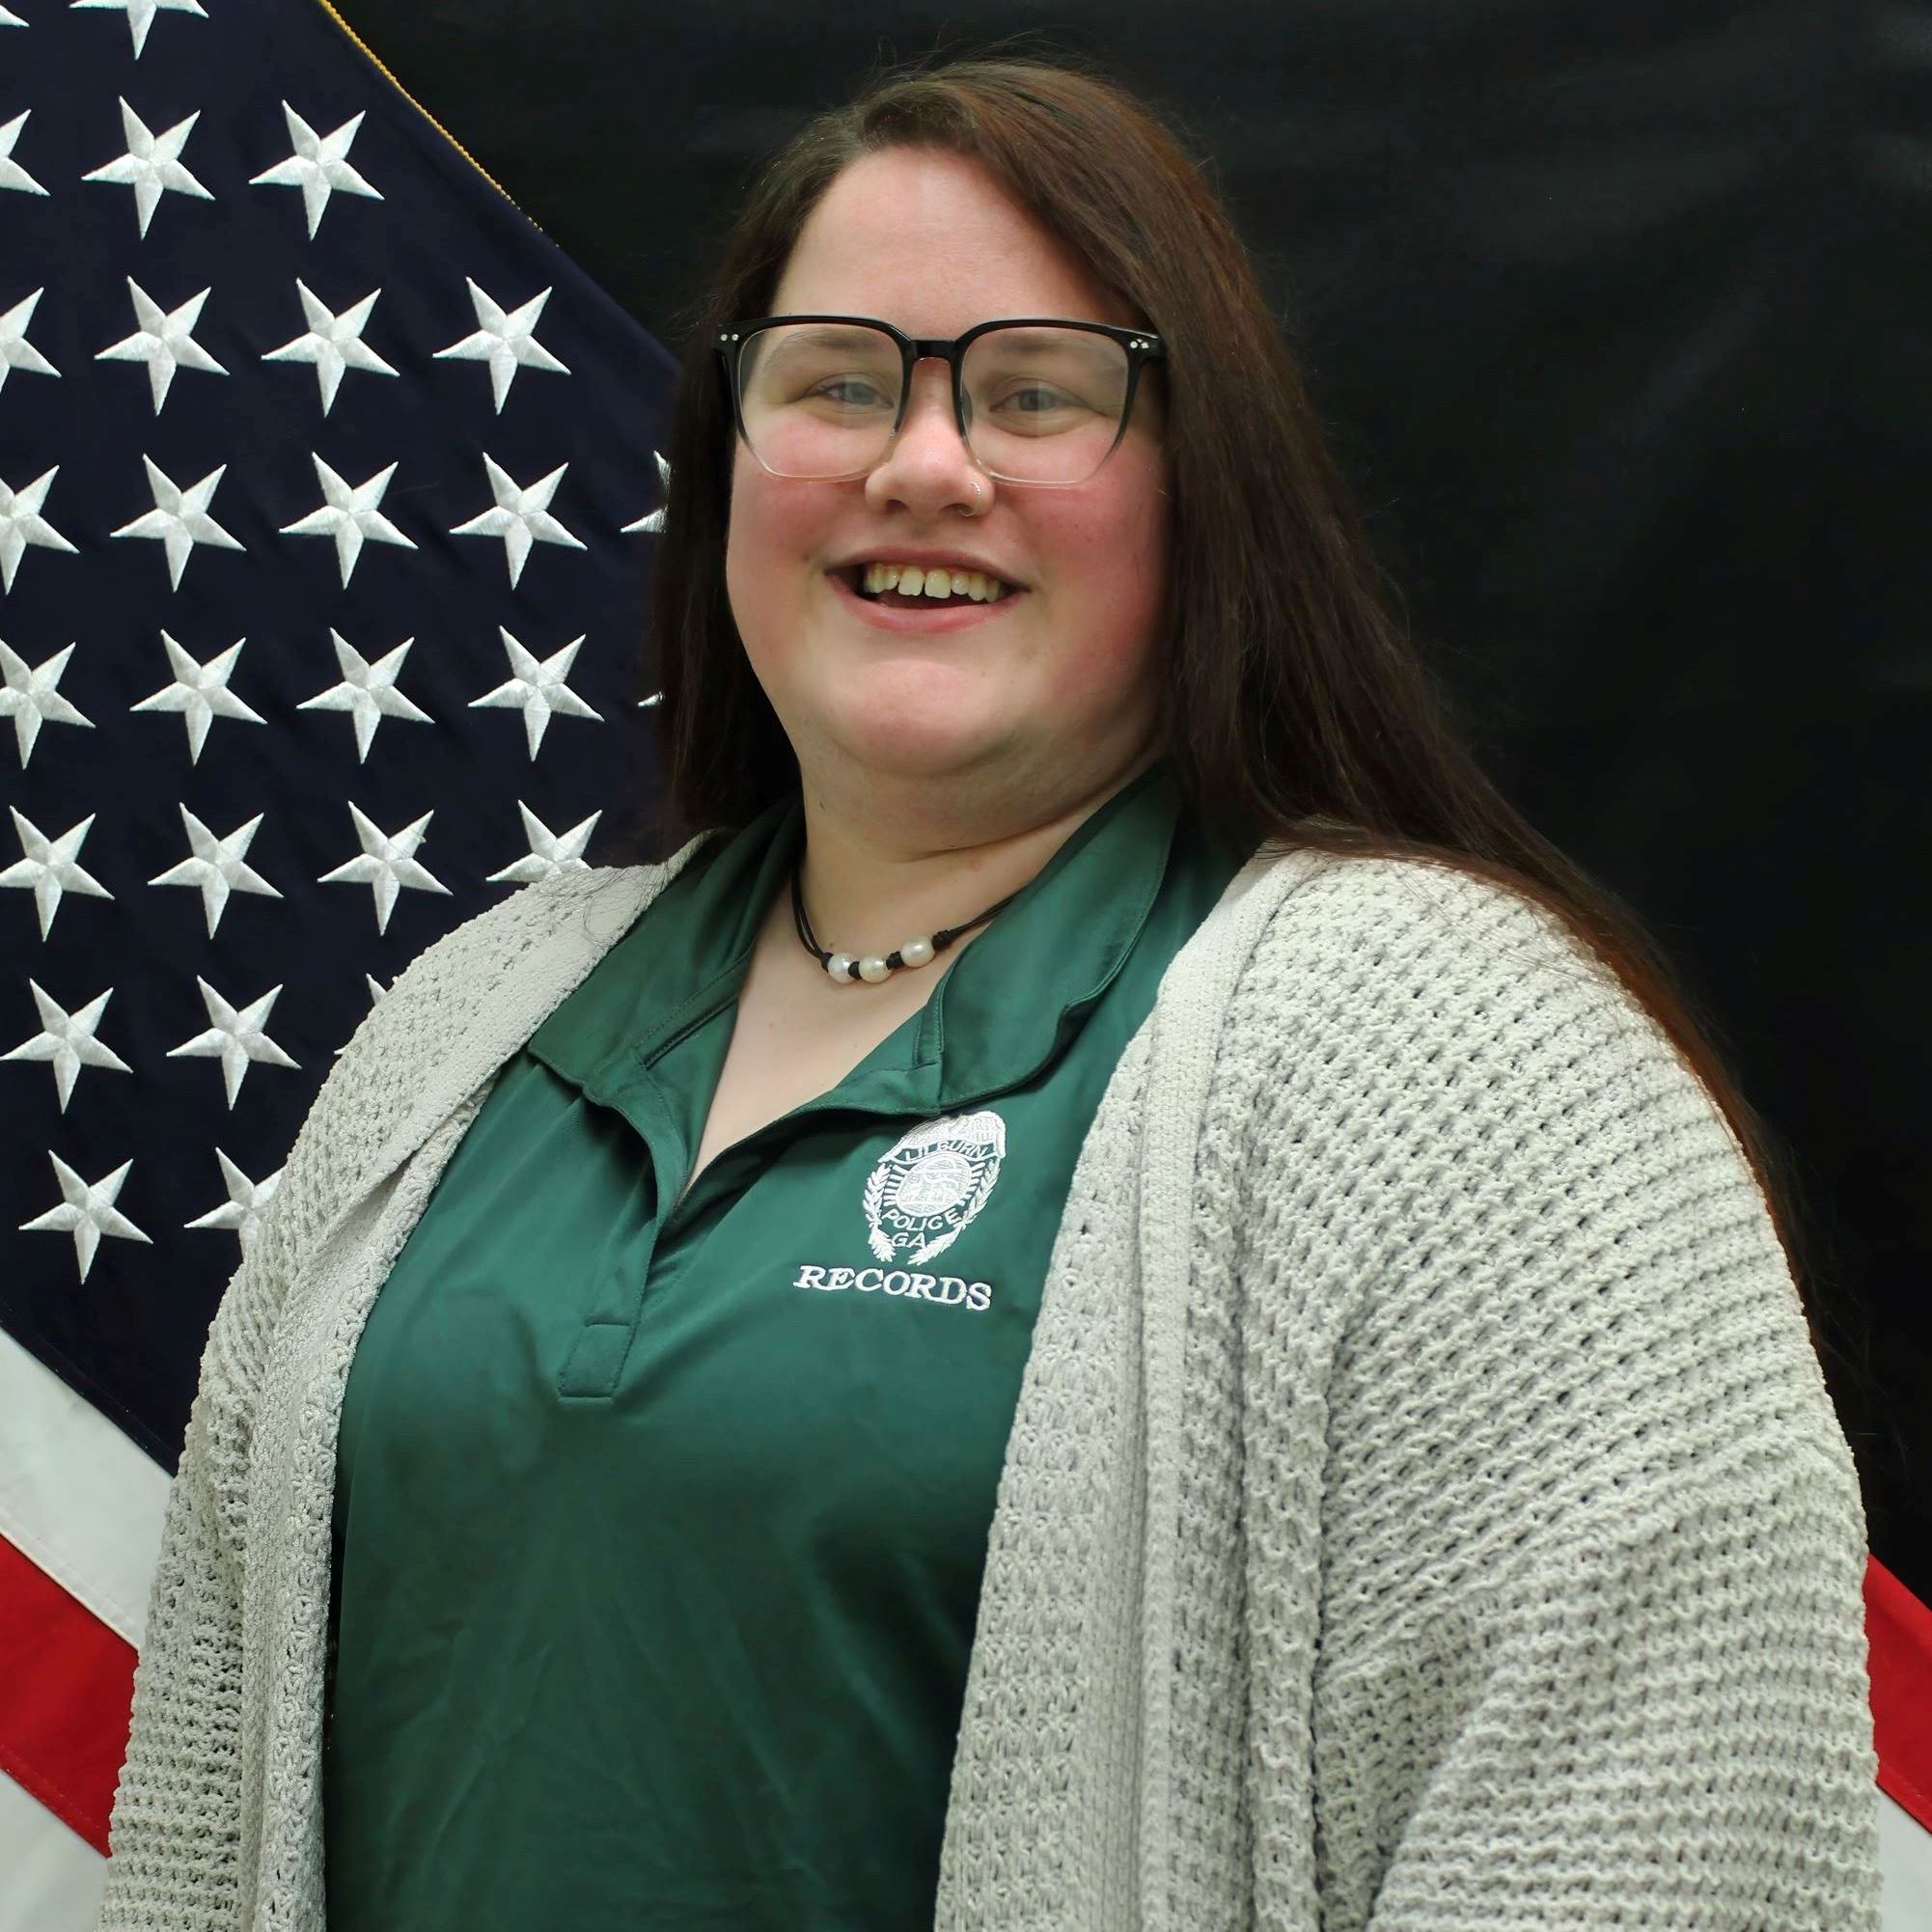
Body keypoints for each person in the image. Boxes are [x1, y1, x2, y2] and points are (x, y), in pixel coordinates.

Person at [97, 49, 1882, 1932]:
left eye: (1034, 389)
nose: (918, 461)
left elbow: (1663, 1860)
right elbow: (204, 1815)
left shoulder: (1468, 1073)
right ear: (725, 473)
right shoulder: (457, 1030)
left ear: (1205, 491)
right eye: (834, 381)